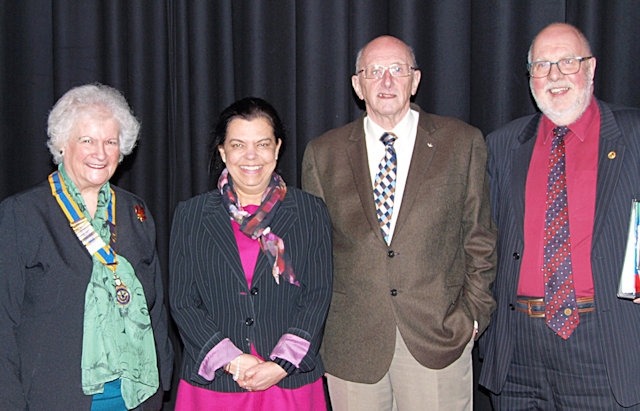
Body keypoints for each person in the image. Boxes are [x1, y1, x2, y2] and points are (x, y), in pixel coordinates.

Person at [302, 35, 497, 410]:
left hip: (437, 340)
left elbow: (480, 237)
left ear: (416, 80)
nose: (387, 81)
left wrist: (472, 317)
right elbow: (315, 253)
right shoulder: (323, 153)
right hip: (352, 347)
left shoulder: (462, 142)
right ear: (358, 85)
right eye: (375, 71)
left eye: (397, 70)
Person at [479, 23, 640, 409]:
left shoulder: (634, 133)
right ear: (530, 76)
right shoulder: (502, 145)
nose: (555, 75)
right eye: (542, 65)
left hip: (604, 344)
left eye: (567, 61)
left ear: (592, 68)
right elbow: (481, 238)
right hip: (518, 351)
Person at [0, 83, 174, 410]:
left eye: (110, 142)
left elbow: (157, 307)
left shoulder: (135, 212)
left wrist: (163, 376)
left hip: (135, 394)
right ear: (62, 145)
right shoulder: (23, 214)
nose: (100, 153)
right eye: (87, 140)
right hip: (54, 396)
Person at [169, 97, 333, 410]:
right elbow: (182, 301)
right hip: (216, 384)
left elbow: (317, 295)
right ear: (222, 151)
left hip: (289, 382)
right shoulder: (191, 215)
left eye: (262, 144)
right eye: (238, 145)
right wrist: (232, 361)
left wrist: (280, 365)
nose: (251, 156)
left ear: (277, 147)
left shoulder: (310, 212)